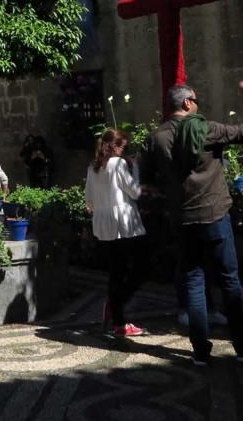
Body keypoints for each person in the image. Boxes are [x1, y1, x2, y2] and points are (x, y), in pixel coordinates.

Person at [148, 80, 243, 366]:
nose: (197, 103)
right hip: (214, 214)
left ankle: (200, 352)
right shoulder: (205, 128)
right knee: (229, 280)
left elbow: (147, 180)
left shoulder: (156, 138)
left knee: (194, 281)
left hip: (183, 220)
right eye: (195, 99)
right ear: (187, 103)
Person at [86, 128, 149, 336]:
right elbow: (134, 191)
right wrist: (137, 170)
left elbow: (89, 200)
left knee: (116, 271)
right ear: (113, 146)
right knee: (140, 267)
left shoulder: (93, 167)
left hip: (104, 223)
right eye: (122, 146)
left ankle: (118, 320)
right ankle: (116, 306)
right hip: (123, 223)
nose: (124, 150)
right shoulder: (119, 164)